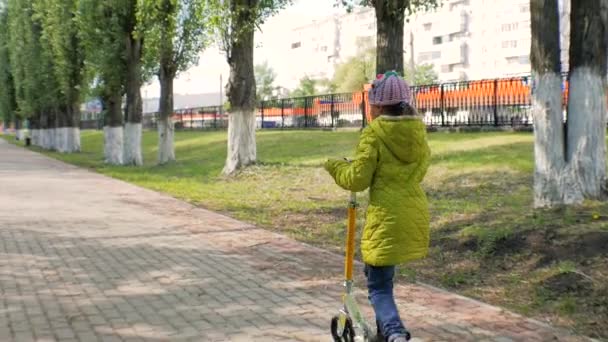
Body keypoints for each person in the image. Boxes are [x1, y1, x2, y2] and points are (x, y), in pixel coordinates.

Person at [324, 71, 431, 342]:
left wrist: (334, 164)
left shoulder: (373, 134)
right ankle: (384, 334)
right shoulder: (417, 132)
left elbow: (357, 179)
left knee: (379, 288)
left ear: (379, 106)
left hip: (386, 218)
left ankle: (395, 333)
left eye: (370, 103)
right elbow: (420, 170)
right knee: (383, 278)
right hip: (413, 213)